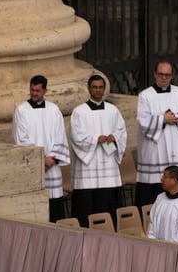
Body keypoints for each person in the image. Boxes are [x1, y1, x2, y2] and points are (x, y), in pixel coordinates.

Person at [135, 60, 178, 208]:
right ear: (155, 74)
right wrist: (163, 119)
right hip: (155, 149)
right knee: (154, 190)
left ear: (172, 75)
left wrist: (175, 117)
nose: (164, 78)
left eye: (167, 75)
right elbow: (143, 120)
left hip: (177, 146)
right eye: (161, 74)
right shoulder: (145, 95)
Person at [69, 73, 127, 227]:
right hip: (88, 165)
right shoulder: (79, 112)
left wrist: (114, 137)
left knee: (107, 202)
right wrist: (96, 139)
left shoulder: (113, 110)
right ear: (89, 89)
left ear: (104, 89)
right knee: (87, 205)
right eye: (94, 87)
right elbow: (76, 136)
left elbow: (121, 131)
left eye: (101, 87)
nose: (98, 90)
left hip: (107, 163)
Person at [12, 75, 71, 221]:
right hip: (34, 166)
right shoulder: (21, 110)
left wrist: (52, 159)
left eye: (38, 90)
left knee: (55, 207)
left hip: (52, 166)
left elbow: (60, 135)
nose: (34, 93)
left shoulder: (54, 110)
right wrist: (41, 159)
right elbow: (20, 139)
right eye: (32, 90)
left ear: (45, 91)